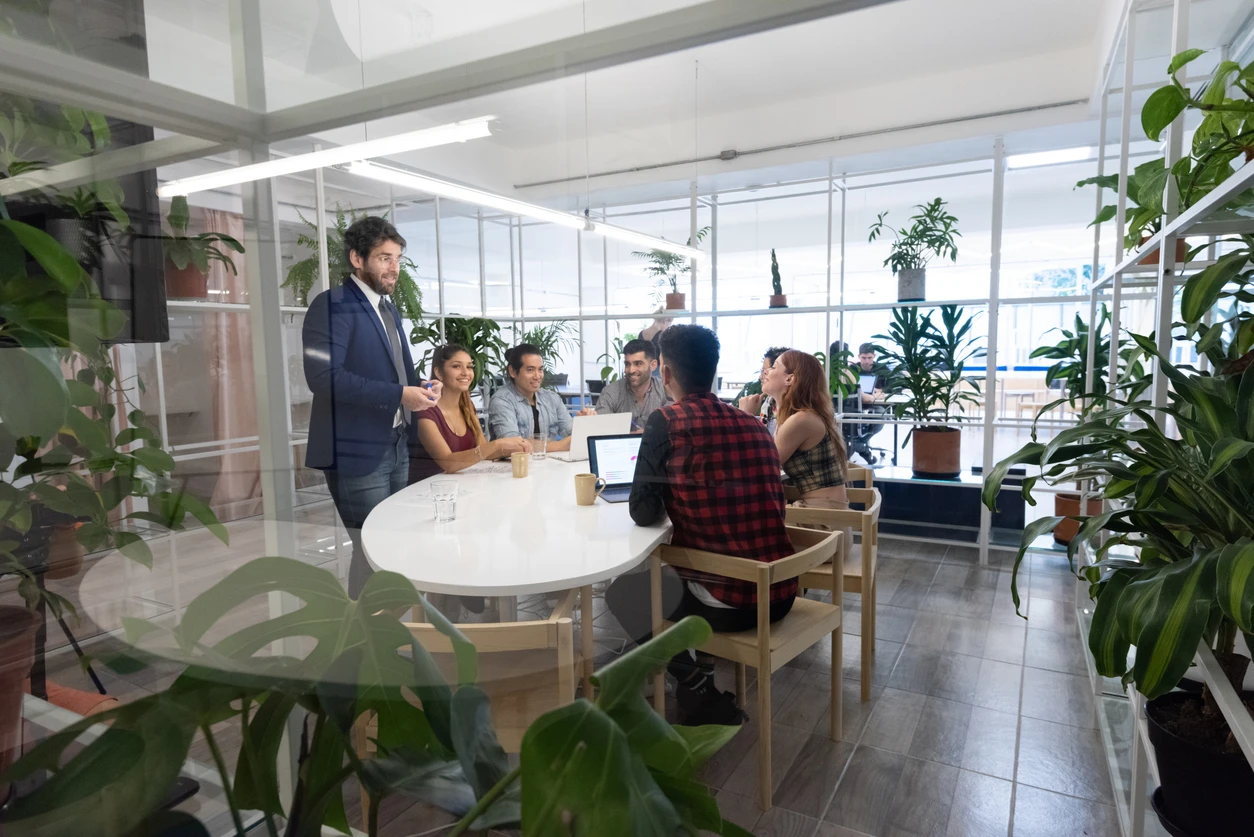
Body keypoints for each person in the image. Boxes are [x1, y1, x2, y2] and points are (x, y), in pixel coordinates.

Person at [605, 324, 797, 726]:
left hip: (733, 602)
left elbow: (642, 512)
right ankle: (700, 681)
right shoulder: (754, 426)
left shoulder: (666, 421)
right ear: (713, 369)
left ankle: (693, 684)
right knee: (693, 568)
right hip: (780, 590)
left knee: (624, 592)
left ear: (667, 374)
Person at [303, 216, 441, 596]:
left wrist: (421, 387)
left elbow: (396, 374)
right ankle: (360, 642)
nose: (393, 267)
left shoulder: (387, 309)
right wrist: (399, 394)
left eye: (397, 258)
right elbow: (323, 377)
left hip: (395, 443)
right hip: (357, 451)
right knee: (374, 550)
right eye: (384, 257)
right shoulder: (332, 305)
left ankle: (383, 632)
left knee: (390, 549)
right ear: (357, 259)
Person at [410, 343, 531, 484]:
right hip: (427, 491)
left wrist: (513, 447)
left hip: (462, 485)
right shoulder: (425, 409)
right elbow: (447, 462)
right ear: (438, 373)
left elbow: (484, 453)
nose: (466, 373)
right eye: (456, 366)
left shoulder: (467, 406)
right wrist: (498, 444)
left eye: (469, 366)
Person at [760, 350, 850, 509]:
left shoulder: (800, 420)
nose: (765, 371)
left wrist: (744, 414)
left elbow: (763, 467)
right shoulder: (804, 415)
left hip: (821, 518)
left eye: (774, 367)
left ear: (790, 379)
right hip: (827, 511)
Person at [487, 343, 573, 451]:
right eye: (530, 370)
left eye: (540, 369)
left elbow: (574, 436)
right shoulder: (501, 401)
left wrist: (583, 422)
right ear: (513, 371)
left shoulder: (552, 398)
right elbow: (513, 446)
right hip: (515, 467)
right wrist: (560, 445)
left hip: (551, 465)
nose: (537, 376)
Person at [576, 338, 670, 431]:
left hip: (656, 446)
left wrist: (647, 435)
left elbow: (672, 429)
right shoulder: (611, 393)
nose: (631, 370)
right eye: (627, 364)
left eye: (638, 364)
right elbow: (602, 431)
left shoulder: (666, 390)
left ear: (653, 365)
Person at [736, 346, 790, 434]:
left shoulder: (796, 412)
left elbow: (768, 446)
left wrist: (746, 415)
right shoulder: (769, 402)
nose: (761, 376)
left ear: (789, 377)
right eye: (762, 371)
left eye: (767, 370)